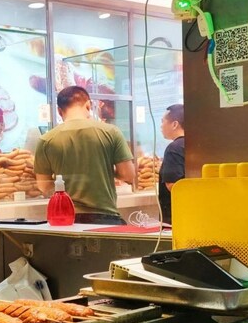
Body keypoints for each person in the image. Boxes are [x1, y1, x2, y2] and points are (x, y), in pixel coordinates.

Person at [34, 86, 135, 225]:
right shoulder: (111, 132)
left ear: (59, 111)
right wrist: (105, 170)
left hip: (66, 220)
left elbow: (43, 186)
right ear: (88, 105)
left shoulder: (46, 140)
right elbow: (128, 175)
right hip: (106, 217)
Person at [158, 104, 185, 225]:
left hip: (175, 220)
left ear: (174, 124)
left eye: (163, 121)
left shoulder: (173, 148)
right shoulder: (196, 145)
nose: (161, 126)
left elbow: (174, 186)